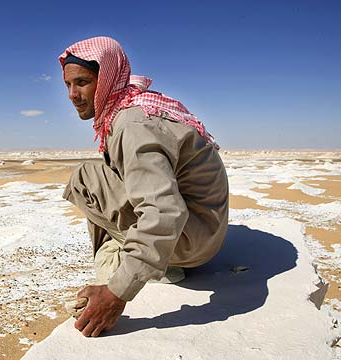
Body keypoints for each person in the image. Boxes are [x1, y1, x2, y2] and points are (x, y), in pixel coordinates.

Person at [59, 36, 229, 337]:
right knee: (100, 172)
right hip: (204, 230)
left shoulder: (131, 125)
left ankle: (121, 266)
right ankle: (139, 256)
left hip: (190, 242)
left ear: (107, 78)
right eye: (68, 85)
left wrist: (116, 294)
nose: (73, 94)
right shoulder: (133, 105)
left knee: (85, 179)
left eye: (82, 82)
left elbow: (165, 211)